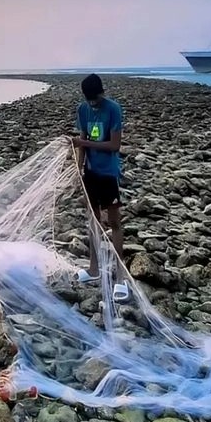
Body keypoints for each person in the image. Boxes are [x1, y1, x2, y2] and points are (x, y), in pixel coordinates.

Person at [71, 73, 129, 302]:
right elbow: (81, 140)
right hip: (91, 173)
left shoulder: (113, 109)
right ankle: (94, 269)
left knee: (113, 222)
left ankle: (120, 277)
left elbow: (115, 145)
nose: (92, 103)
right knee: (93, 220)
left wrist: (83, 143)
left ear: (101, 93)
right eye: (89, 99)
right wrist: (78, 168)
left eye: (94, 99)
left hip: (108, 174)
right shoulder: (82, 110)